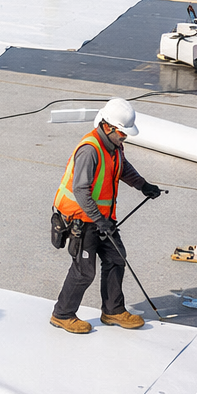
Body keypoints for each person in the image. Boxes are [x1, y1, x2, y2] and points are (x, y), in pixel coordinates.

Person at [50, 98, 162, 334]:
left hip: (102, 219)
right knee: (84, 271)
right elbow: (81, 190)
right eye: (123, 133)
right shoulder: (90, 150)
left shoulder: (114, 146)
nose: (126, 137)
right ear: (109, 127)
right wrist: (100, 220)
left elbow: (123, 167)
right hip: (83, 219)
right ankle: (62, 314)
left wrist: (143, 185)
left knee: (117, 257)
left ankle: (112, 310)